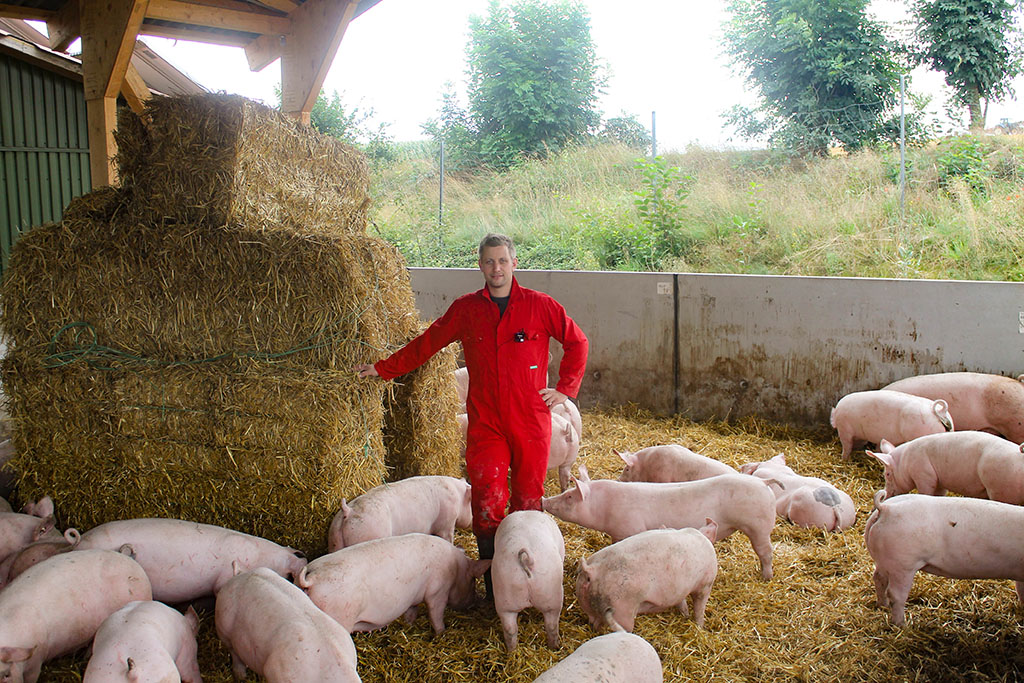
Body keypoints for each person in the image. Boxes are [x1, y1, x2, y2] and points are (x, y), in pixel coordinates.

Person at [354, 233, 588, 593]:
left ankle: (529, 578)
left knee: (528, 499)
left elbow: (577, 342)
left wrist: (565, 390)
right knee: (487, 495)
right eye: (489, 262)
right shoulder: (467, 309)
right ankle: (496, 580)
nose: (496, 268)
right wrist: (384, 368)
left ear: (514, 263)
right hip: (487, 422)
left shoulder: (540, 306)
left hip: (530, 418)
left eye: (503, 261)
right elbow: (428, 342)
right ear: (480, 265)